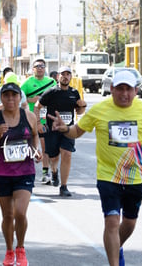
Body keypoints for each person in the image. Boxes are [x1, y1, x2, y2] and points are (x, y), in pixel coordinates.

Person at [48, 70, 142, 266]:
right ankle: (114, 262)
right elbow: (77, 131)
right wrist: (65, 129)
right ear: (112, 89)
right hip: (108, 176)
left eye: (129, 89)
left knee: (129, 224)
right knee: (112, 222)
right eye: (120, 89)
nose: (124, 94)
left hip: (135, 178)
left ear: (136, 91)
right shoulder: (100, 110)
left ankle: (115, 247)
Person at [0, 82, 42, 266]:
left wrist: (35, 150)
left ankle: (21, 248)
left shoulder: (29, 116)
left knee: (20, 213)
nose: (10, 99)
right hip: (2, 173)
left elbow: (34, 135)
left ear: (20, 98)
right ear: (1, 98)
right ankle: (9, 250)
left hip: (25, 172)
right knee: (8, 215)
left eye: (14, 95)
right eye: (6, 95)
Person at [34, 66, 86, 196]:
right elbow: (37, 106)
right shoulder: (51, 92)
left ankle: (64, 186)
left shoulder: (74, 93)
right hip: (53, 129)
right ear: (58, 76)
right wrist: (38, 123)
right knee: (54, 156)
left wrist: (82, 106)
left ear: (71, 77)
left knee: (67, 153)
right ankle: (54, 171)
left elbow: (79, 111)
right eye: (63, 74)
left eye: (68, 74)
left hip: (68, 130)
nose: (66, 76)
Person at [21, 58, 57, 184]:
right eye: (37, 66)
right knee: (30, 146)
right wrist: (31, 100)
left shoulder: (51, 82)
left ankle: (45, 172)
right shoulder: (27, 83)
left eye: (42, 66)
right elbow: (19, 98)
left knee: (45, 145)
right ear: (33, 69)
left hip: (46, 119)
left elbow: (57, 97)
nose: (40, 68)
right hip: (31, 118)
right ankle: (28, 172)